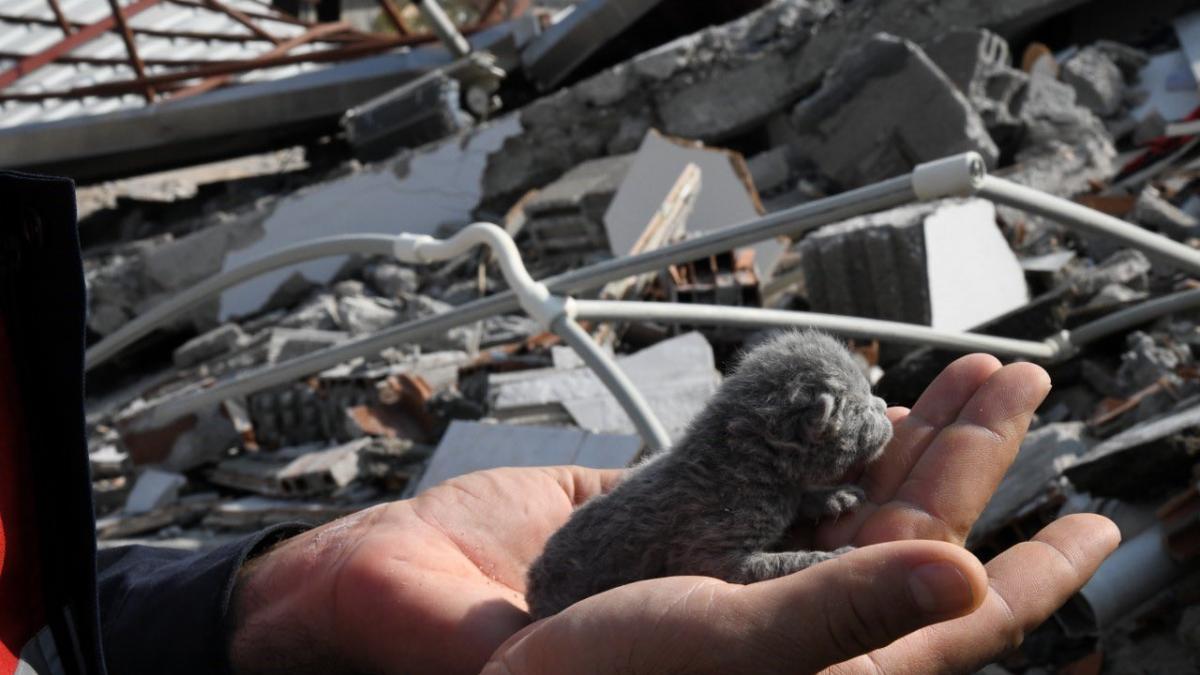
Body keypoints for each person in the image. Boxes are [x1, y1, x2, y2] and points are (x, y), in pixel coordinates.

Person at [1, 171, 1119, 675]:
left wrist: (283, 592)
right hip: (568, 585)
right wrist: (787, 554)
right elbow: (725, 564)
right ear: (787, 436)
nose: (869, 446)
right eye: (841, 439)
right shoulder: (721, 498)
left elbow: (45, 621)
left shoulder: (749, 466)